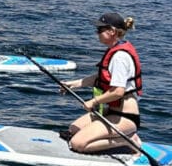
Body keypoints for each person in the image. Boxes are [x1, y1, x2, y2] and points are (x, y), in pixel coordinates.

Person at [61, 12, 143, 154]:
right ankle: (119, 136)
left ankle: (127, 140)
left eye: (100, 30)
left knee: (77, 144)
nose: (96, 33)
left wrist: (94, 101)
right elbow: (100, 78)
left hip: (125, 117)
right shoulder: (114, 50)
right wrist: (72, 84)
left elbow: (118, 91)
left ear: (112, 31)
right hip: (111, 111)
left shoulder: (119, 57)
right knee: (73, 129)